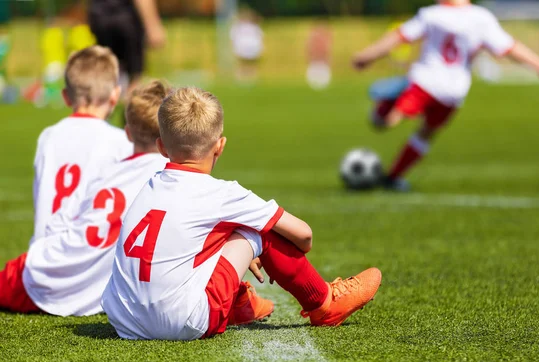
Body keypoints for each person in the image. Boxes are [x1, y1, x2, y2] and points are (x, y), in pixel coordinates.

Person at [102, 87, 382, 340]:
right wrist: (266, 252)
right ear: (220, 146)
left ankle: (238, 301)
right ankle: (324, 303)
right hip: (181, 323)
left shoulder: (147, 187)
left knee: (208, 233)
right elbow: (304, 234)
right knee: (258, 228)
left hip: (124, 320)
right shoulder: (222, 193)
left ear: (161, 147)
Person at [0, 81, 171, 316]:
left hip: (46, 274)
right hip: (113, 292)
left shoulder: (104, 174)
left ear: (128, 133)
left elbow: (57, 224)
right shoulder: (173, 180)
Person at [352, 0, 539, 191]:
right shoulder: (481, 18)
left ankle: (386, 108)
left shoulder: (431, 14)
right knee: (426, 133)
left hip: (425, 82)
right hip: (454, 91)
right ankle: (394, 177)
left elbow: (399, 37)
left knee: (386, 122)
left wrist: (367, 56)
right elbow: (509, 48)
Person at [32, 46, 132, 243]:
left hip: (41, 253)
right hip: (86, 257)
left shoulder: (48, 137)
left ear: (65, 96)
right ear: (115, 95)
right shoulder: (121, 142)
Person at [88, 0, 166, 97]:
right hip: (126, 19)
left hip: (99, 17)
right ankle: (131, 109)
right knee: (134, 79)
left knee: (107, 72)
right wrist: (153, 25)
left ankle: (102, 107)